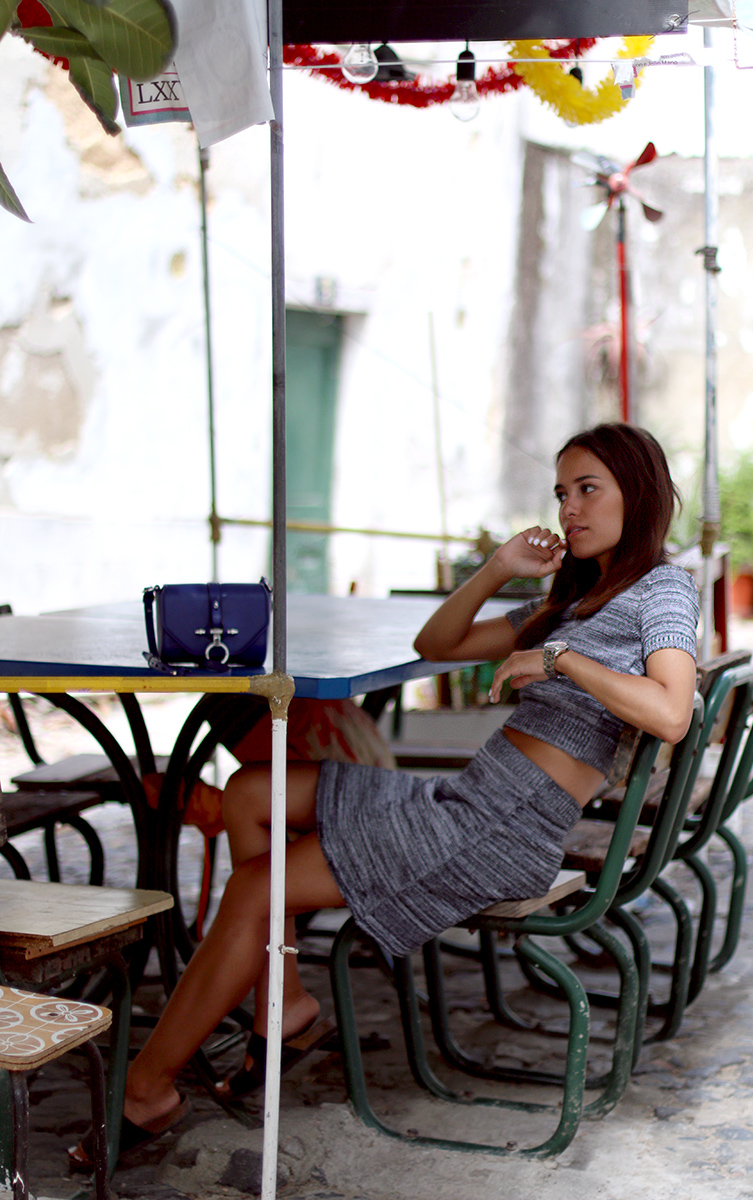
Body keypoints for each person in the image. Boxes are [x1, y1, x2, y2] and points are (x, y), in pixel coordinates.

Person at [69, 422, 699, 1163]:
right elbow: (436, 646)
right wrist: (499, 568)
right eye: (562, 493)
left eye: (588, 489)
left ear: (639, 492)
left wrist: (559, 661)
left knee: (255, 889)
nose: (569, 509)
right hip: (468, 802)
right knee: (250, 791)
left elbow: (671, 712)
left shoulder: (662, 589)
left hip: (499, 832)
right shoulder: (578, 598)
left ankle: (148, 1091)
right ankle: (284, 1001)